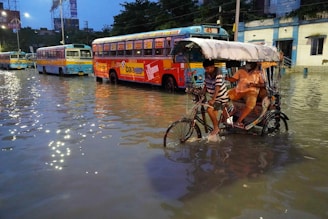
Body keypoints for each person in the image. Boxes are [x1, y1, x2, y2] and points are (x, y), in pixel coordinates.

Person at [225, 62, 265, 129]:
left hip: (251, 92)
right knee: (223, 96)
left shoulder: (259, 72)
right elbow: (233, 79)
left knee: (251, 103)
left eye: (250, 63)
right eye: (247, 63)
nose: (248, 64)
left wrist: (254, 85)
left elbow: (263, 84)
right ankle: (226, 117)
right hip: (238, 91)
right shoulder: (241, 71)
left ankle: (238, 121)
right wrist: (227, 78)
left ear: (254, 64)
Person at [202, 59, 229, 135]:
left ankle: (216, 128)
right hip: (215, 98)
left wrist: (213, 99)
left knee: (209, 110)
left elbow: (218, 86)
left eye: (208, 68)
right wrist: (201, 92)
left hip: (221, 98)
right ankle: (217, 128)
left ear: (213, 66)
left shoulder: (218, 72)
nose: (206, 70)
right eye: (205, 69)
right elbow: (205, 85)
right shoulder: (206, 74)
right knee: (213, 114)